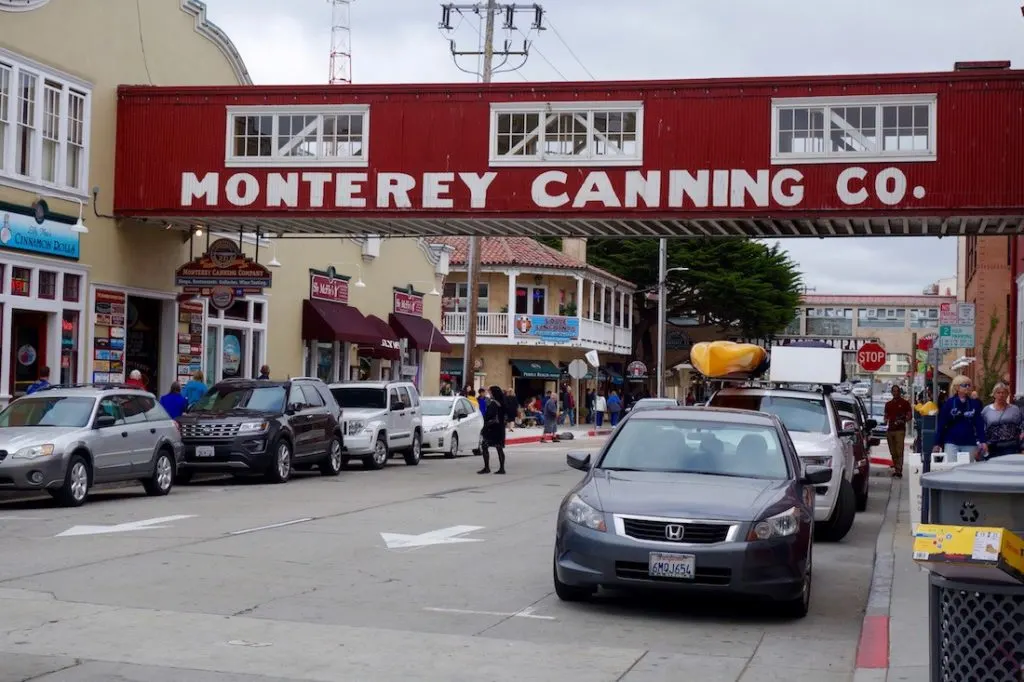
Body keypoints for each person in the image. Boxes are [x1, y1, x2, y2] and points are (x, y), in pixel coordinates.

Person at [934, 375, 987, 462]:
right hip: (951, 441)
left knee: (967, 469)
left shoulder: (974, 403)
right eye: (964, 385)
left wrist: (983, 441)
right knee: (951, 467)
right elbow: (942, 424)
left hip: (969, 441)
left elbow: (979, 424)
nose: (967, 387)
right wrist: (937, 443)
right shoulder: (949, 403)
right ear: (957, 387)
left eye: (969, 385)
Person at [982, 381, 1024, 459]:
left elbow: (1021, 426)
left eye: (1004, 393)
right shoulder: (986, 410)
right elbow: (982, 428)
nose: (1001, 395)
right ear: (994, 394)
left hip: (1011, 446)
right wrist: (983, 443)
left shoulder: (1014, 409)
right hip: (992, 446)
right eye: (998, 393)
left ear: (1007, 394)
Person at [883, 385, 912, 478]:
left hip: (900, 430)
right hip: (890, 430)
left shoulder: (905, 403)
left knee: (899, 451)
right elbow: (885, 416)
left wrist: (903, 419)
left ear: (899, 392)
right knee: (893, 451)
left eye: (897, 391)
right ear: (891, 392)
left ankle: (899, 470)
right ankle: (896, 468)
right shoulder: (888, 404)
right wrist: (885, 420)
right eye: (894, 391)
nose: (895, 393)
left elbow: (909, 415)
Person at [477, 386, 507, 475]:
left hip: (492, 428)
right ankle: (502, 468)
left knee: (484, 445)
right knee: (499, 448)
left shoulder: (493, 403)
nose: (489, 394)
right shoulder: (503, 402)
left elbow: (489, 415)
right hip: (500, 428)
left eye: (490, 392)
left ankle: (487, 467)